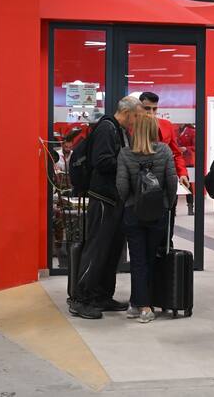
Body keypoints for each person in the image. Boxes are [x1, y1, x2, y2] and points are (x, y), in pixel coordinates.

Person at [70, 96, 143, 320]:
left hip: (116, 199)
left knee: (111, 252)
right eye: (136, 116)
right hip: (103, 198)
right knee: (97, 249)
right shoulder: (106, 128)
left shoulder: (121, 131)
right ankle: (80, 299)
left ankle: (101, 295)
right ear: (127, 112)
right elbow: (101, 161)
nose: (137, 121)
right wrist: (129, 162)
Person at [116, 116, 177, 323]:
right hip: (157, 211)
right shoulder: (164, 151)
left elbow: (122, 187)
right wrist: (167, 204)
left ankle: (137, 303)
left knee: (138, 260)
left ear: (134, 130)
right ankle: (144, 307)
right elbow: (172, 181)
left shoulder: (125, 153)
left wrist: (129, 202)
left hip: (133, 212)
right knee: (150, 258)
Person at [138, 92, 190, 190]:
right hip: (140, 181)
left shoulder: (167, 125)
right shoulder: (132, 127)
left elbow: (176, 154)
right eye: (147, 108)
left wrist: (182, 173)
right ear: (139, 108)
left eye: (154, 108)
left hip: (165, 179)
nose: (151, 112)